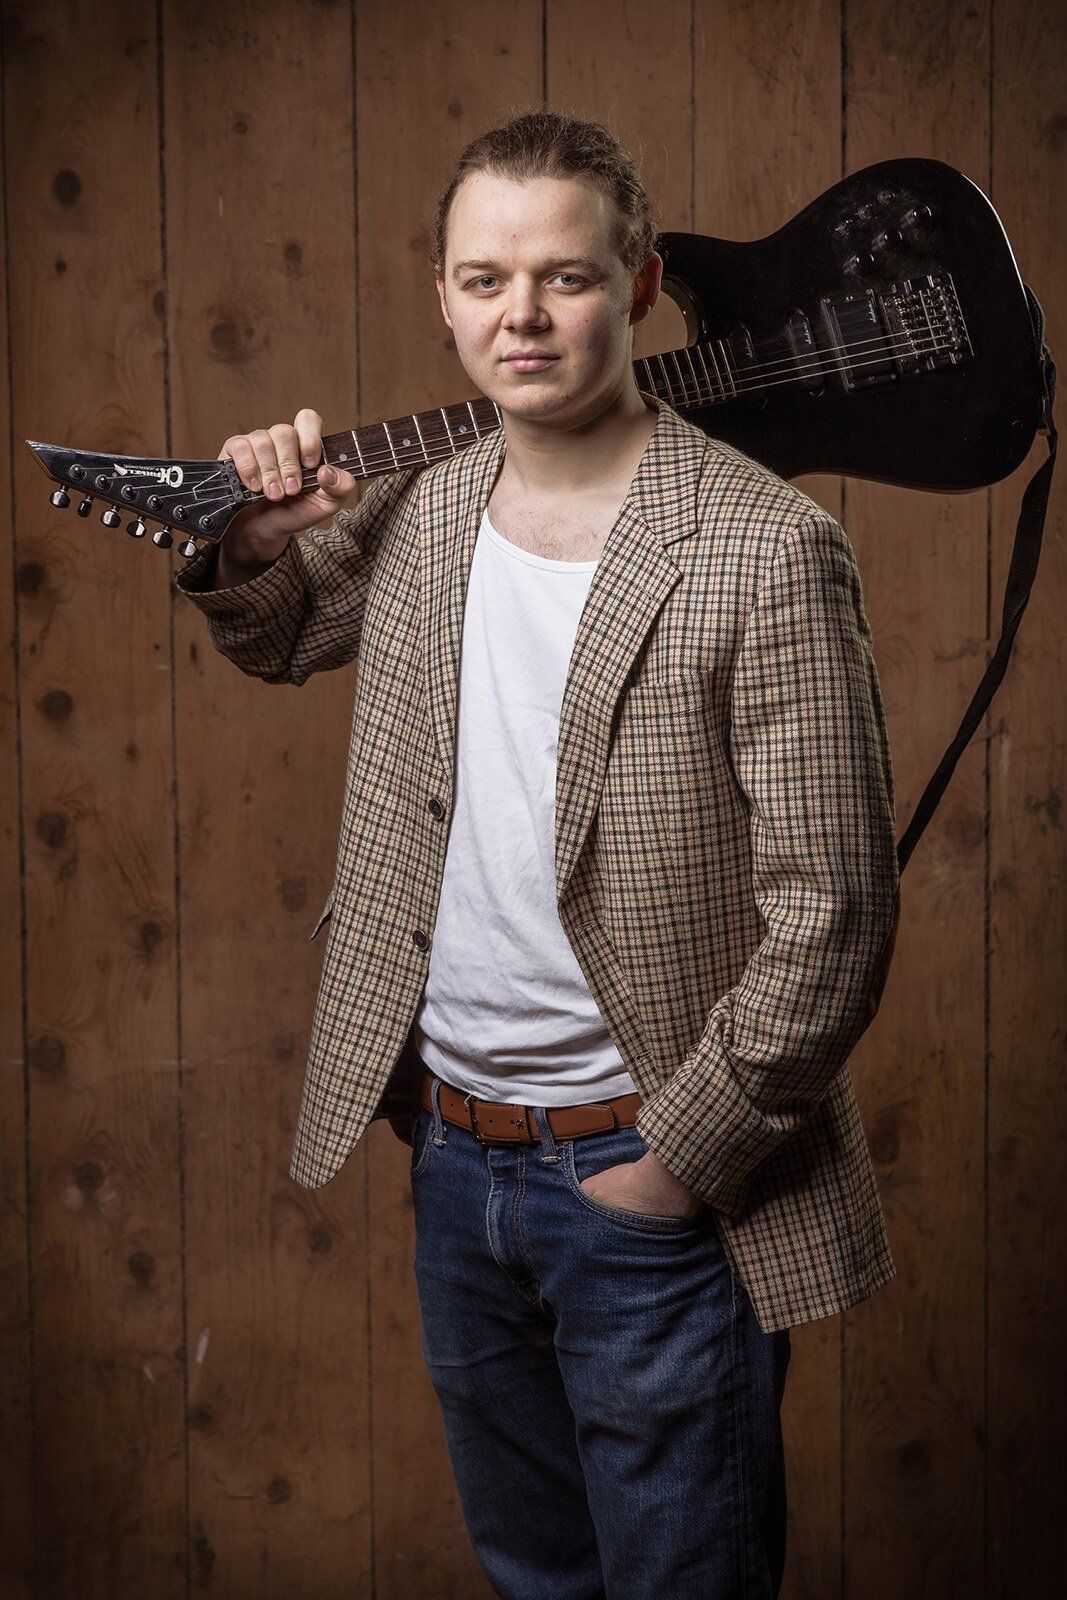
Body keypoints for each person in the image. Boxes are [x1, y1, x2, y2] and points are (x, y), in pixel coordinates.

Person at [175, 108, 900, 1600]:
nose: (523, 314)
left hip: (648, 1172)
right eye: (485, 278)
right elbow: (282, 632)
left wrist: (678, 1166)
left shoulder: (760, 548)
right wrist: (248, 541)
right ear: (441, 297)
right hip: (455, 1159)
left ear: (635, 289)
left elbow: (834, 915)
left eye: (565, 278)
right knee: (534, 1576)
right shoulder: (426, 512)